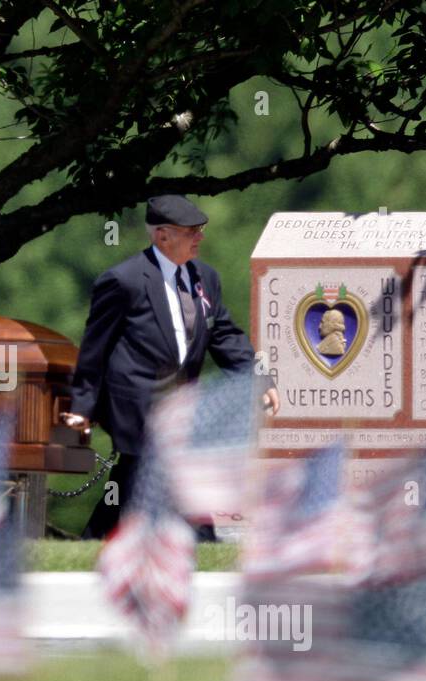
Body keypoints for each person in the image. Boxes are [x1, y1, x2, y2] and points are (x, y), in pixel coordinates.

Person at [63, 195, 279, 539]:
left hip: (180, 404)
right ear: (163, 236)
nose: (200, 237)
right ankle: (202, 537)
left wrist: (257, 378)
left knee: (134, 479)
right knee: (163, 473)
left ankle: (97, 538)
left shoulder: (205, 279)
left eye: (200, 230)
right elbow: (95, 347)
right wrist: (82, 406)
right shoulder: (124, 280)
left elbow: (224, 334)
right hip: (135, 401)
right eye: (192, 231)